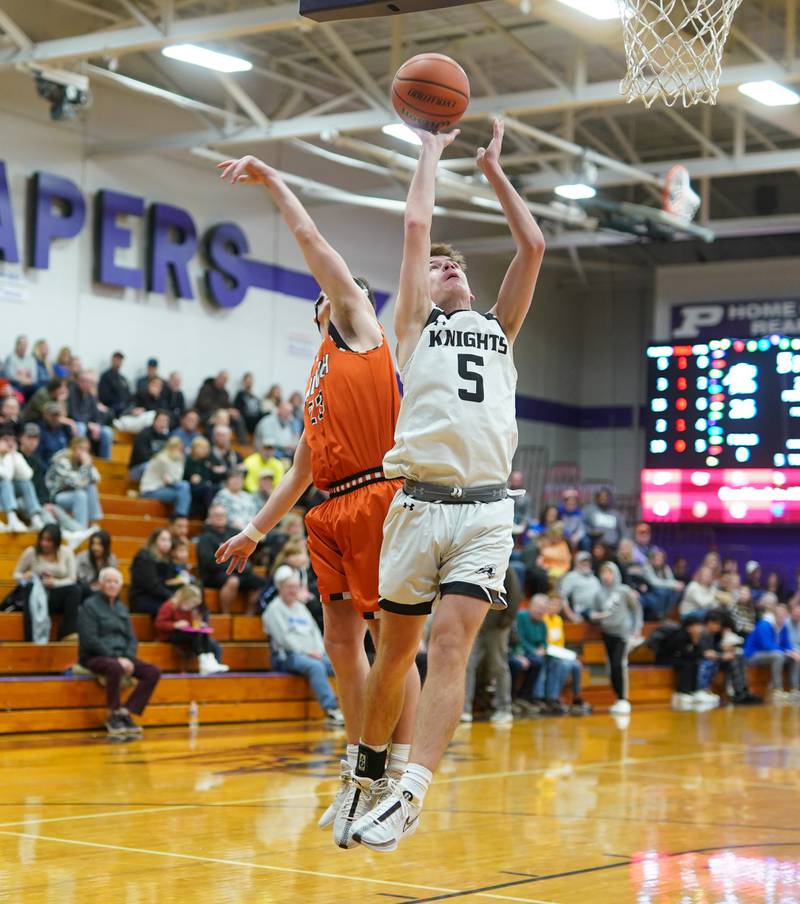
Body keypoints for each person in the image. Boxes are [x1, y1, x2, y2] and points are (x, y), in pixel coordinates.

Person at [335, 120, 545, 852]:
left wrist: (492, 171)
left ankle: (411, 795)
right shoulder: (413, 328)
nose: (448, 266)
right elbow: (418, 222)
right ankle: (364, 775)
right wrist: (431, 152)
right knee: (396, 655)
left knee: (452, 645)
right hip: (417, 506)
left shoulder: (500, 326)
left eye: (457, 265)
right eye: (437, 265)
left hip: (486, 511)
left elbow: (534, 247)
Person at [213, 152, 420, 843]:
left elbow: (314, 245)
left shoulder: (363, 328)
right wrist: (253, 531)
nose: (329, 292)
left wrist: (274, 181)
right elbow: (300, 467)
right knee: (341, 643)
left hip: (375, 497)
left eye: (337, 287)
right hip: (326, 511)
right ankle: (358, 773)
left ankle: (392, 777)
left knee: (392, 642)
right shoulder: (317, 373)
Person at [78, 567, 161, 737]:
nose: (111, 585)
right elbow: (90, 640)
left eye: (115, 582)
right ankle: (113, 714)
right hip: (94, 656)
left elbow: (132, 637)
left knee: (152, 672)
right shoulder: (89, 606)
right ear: (100, 584)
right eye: (108, 581)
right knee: (115, 667)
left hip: (122, 656)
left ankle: (126, 712)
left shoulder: (122, 608)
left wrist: (128, 658)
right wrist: (118, 658)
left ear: (120, 586)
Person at [264, 566, 345, 724]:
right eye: (289, 587)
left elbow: (315, 632)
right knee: (316, 667)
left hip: (314, 655)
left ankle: (353, 707)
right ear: (280, 587)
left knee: (340, 665)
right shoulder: (273, 610)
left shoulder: (301, 608)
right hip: (286, 657)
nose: (293, 591)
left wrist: (319, 651)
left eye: (296, 587)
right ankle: (331, 709)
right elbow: (283, 639)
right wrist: (308, 652)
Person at [17, 423, 93, 545]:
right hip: (20, 500)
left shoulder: (37, 461)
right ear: (21, 438)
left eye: (35, 438)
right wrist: (42, 503)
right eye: (29, 437)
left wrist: (46, 502)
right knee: (41, 508)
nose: (32, 442)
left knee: (55, 509)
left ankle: (79, 531)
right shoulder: (16, 457)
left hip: (38, 500)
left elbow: (41, 487)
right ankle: (60, 533)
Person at [462, 567, 521, 724]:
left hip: (497, 626)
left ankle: (504, 709)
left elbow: (515, 595)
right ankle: (464, 709)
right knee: (468, 665)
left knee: (498, 666)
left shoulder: (508, 569)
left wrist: (506, 621)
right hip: (476, 623)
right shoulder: (475, 564)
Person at [589, 561, 643, 716]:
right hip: (607, 633)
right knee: (611, 667)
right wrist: (595, 616)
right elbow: (593, 612)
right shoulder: (598, 593)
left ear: (615, 574)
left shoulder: (624, 591)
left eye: (609, 572)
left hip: (623, 634)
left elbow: (637, 610)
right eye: (603, 572)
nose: (606, 576)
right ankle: (617, 698)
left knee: (619, 664)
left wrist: (636, 629)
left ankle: (623, 699)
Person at [12, 524, 82, 640]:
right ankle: (30, 639)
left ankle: (67, 633)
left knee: (75, 590)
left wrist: (55, 583)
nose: (44, 543)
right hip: (36, 596)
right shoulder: (31, 552)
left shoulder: (66, 552)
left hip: (57, 595)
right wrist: (24, 576)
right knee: (30, 587)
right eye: (42, 539)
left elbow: (72, 579)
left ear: (57, 542)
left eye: (49, 541)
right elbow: (16, 574)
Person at [198, 504, 266, 614]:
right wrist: (232, 565)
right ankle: (226, 614)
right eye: (216, 515)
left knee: (260, 582)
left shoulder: (235, 533)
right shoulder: (205, 538)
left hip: (237, 571)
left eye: (222, 515)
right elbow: (208, 562)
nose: (220, 517)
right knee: (233, 581)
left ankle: (249, 615)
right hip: (214, 574)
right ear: (209, 518)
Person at [155, 583, 228, 675]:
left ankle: (213, 663)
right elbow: (159, 624)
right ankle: (204, 661)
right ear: (183, 599)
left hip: (187, 634)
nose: (190, 607)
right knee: (196, 636)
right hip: (171, 634)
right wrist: (174, 625)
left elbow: (190, 623)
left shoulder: (190, 610)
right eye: (189, 603)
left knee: (212, 643)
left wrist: (199, 625)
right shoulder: (169, 606)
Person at [697, 610, 761, 706]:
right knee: (733, 660)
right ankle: (739, 692)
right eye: (717, 624)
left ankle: (744, 689)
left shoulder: (714, 635)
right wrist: (722, 655)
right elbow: (706, 653)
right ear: (709, 623)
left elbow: (716, 649)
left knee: (740, 656)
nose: (719, 627)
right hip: (705, 662)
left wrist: (725, 650)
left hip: (716, 660)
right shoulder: (702, 634)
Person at [744, 599, 800, 702]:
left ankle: (795, 690)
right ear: (774, 614)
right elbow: (767, 645)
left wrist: (793, 652)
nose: (782, 617)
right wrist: (786, 652)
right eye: (780, 614)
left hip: (773, 654)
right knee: (778, 655)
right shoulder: (764, 624)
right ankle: (777, 690)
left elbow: (788, 645)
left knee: (795, 657)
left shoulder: (784, 627)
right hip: (753, 655)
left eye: (784, 615)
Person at [544, 596, 591, 715]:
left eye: (558, 605)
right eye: (552, 604)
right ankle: (553, 697)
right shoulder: (543, 619)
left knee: (576, 665)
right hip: (548, 653)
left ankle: (576, 697)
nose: (555, 607)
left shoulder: (558, 620)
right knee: (563, 665)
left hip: (558, 653)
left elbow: (560, 642)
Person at [45, 437, 103, 529]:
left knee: (91, 487)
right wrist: (86, 466)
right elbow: (77, 483)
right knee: (80, 495)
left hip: (72, 494)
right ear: (73, 448)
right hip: (56, 496)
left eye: (86, 450)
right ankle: (81, 528)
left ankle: (92, 521)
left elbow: (97, 479)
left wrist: (88, 466)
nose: (84, 453)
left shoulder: (82, 462)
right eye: (81, 448)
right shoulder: (62, 460)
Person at [666, 614, 714, 710]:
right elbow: (685, 654)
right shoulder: (679, 636)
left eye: (700, 626)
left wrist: (696, 642)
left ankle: (695, 690)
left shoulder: (697, 636)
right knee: (687, 664)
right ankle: (682, 691)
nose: (699, 628)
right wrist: (695, 641)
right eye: (697, 626)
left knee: (695, 663)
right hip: (668, 658)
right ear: (689, 627)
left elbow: (696, 654)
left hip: (684, 658)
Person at [0, 428, 43, 532]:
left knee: (25, 483)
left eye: (12, 440)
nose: (10, 443)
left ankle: (35, 518)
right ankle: (11, 518)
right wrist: (8, 457)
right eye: (6, 440)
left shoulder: (14, 455)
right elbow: (6, 476)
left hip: (7, 495)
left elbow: (28, 475)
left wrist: (13, 455)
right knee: (5, 483)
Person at [129, 528, 178, 617]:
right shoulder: (144, 557)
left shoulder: (168, 559)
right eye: (163, 539)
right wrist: (173, 596)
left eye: (169, 540)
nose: (167, 543)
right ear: (154, 541)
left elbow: (169, 581)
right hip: (143, 598)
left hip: (161, 597)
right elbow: (151, 585)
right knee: (173, 610)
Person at [139, 437, 191, 517]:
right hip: (150, 491)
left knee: (183, 490)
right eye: (178, 448)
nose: (180, 451)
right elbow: (169, 481)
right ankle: (180, 517)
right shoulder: (162, 459)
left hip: (163, 488)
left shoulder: (177, 460)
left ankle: (180, 516)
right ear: (171, 447)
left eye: (181, 449)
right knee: (184, 487)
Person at [68, 370, 112, 460]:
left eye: (90, 382)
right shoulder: (72, 392)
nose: (87, 384)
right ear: (79, 381)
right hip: (75, 424)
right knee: (81, 428)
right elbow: (74, 414)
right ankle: (80, 458)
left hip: (89, 425)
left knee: (107, 431)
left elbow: (97, 415)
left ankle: (105, 462)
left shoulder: (91, 395)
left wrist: (98, 426)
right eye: (84, 381)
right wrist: (89, 425)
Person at [195, 371, 247, 442]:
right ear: (217, 378)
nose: (224, 381)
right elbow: (203, 405)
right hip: (205, 413)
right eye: (223, 378)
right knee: (218, 417)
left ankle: (243, 442)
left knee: (238, 418)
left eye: (226, 380)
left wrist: (232, 411)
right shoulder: (206, 388)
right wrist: (223, 411)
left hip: (222, 413)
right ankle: (211, 440)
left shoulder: (225, 393)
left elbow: (228, 405)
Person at [641, 547, 684, 621]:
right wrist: (674, 584)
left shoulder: (666, 568)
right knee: (662, 591)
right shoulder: (647, 567)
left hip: (662, 592)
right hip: (649, 592)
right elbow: (654, 582)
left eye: (660, 558)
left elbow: (671, 580)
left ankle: (665, 614)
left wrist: (677, 584)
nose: (658, 560)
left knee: (677, 591)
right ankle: (659, 614)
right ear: (652, 558)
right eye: (656, 558)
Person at [128, 410, 171, 482]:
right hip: (137, 468)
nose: (163, 424)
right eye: (161, 420)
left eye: (166, 421)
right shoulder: (144, 434)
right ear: (154, 421)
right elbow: (143, 457)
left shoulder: (166, 438)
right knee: (149, 467)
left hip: (157, 467)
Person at [558, 551, 601, 620]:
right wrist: (570, 615)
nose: (585, 563)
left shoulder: (594, 579)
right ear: (576, 563)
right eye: (582, 561)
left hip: (597, 611)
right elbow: (562, 596)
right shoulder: (571, 576)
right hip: (581, 612)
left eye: (588, 561)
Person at [76, 529, 117, 600]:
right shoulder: (81, 557)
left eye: (99, 544)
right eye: (93, 544)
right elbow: (77, 578)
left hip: (103, 589)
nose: (95, 548)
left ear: (106, 546)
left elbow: (113, 578)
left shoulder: (111, 559)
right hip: (85, 590)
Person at [184, 435, 217, 517]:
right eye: (202, 448)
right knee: (207, 489)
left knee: (219, 488)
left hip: (203, 485)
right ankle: (211, 515)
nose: (205, 450)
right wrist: (192, 479)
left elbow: (207, 477)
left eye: (206, 448)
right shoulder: (188, 460)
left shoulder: (205, 461)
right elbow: (185, 476)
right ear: (194, 448)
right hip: (190, 486)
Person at [37, 401, 73, 465]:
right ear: (45, 415)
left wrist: (70, 425)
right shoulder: (40, 431)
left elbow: (73, 445)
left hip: (65, 464)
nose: (55, 418)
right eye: (52, 415)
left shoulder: (64, 429)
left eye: (58, 415)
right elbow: (39, 457)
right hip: (49, 467)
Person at [98, 351, 131, 417]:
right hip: (112, 408)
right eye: (117, 360)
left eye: (120, 360)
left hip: (125, 407)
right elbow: (104, 397)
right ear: (112, 360)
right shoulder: (106, 376)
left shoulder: (122, 378)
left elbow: (128, 395)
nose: (118, 362)